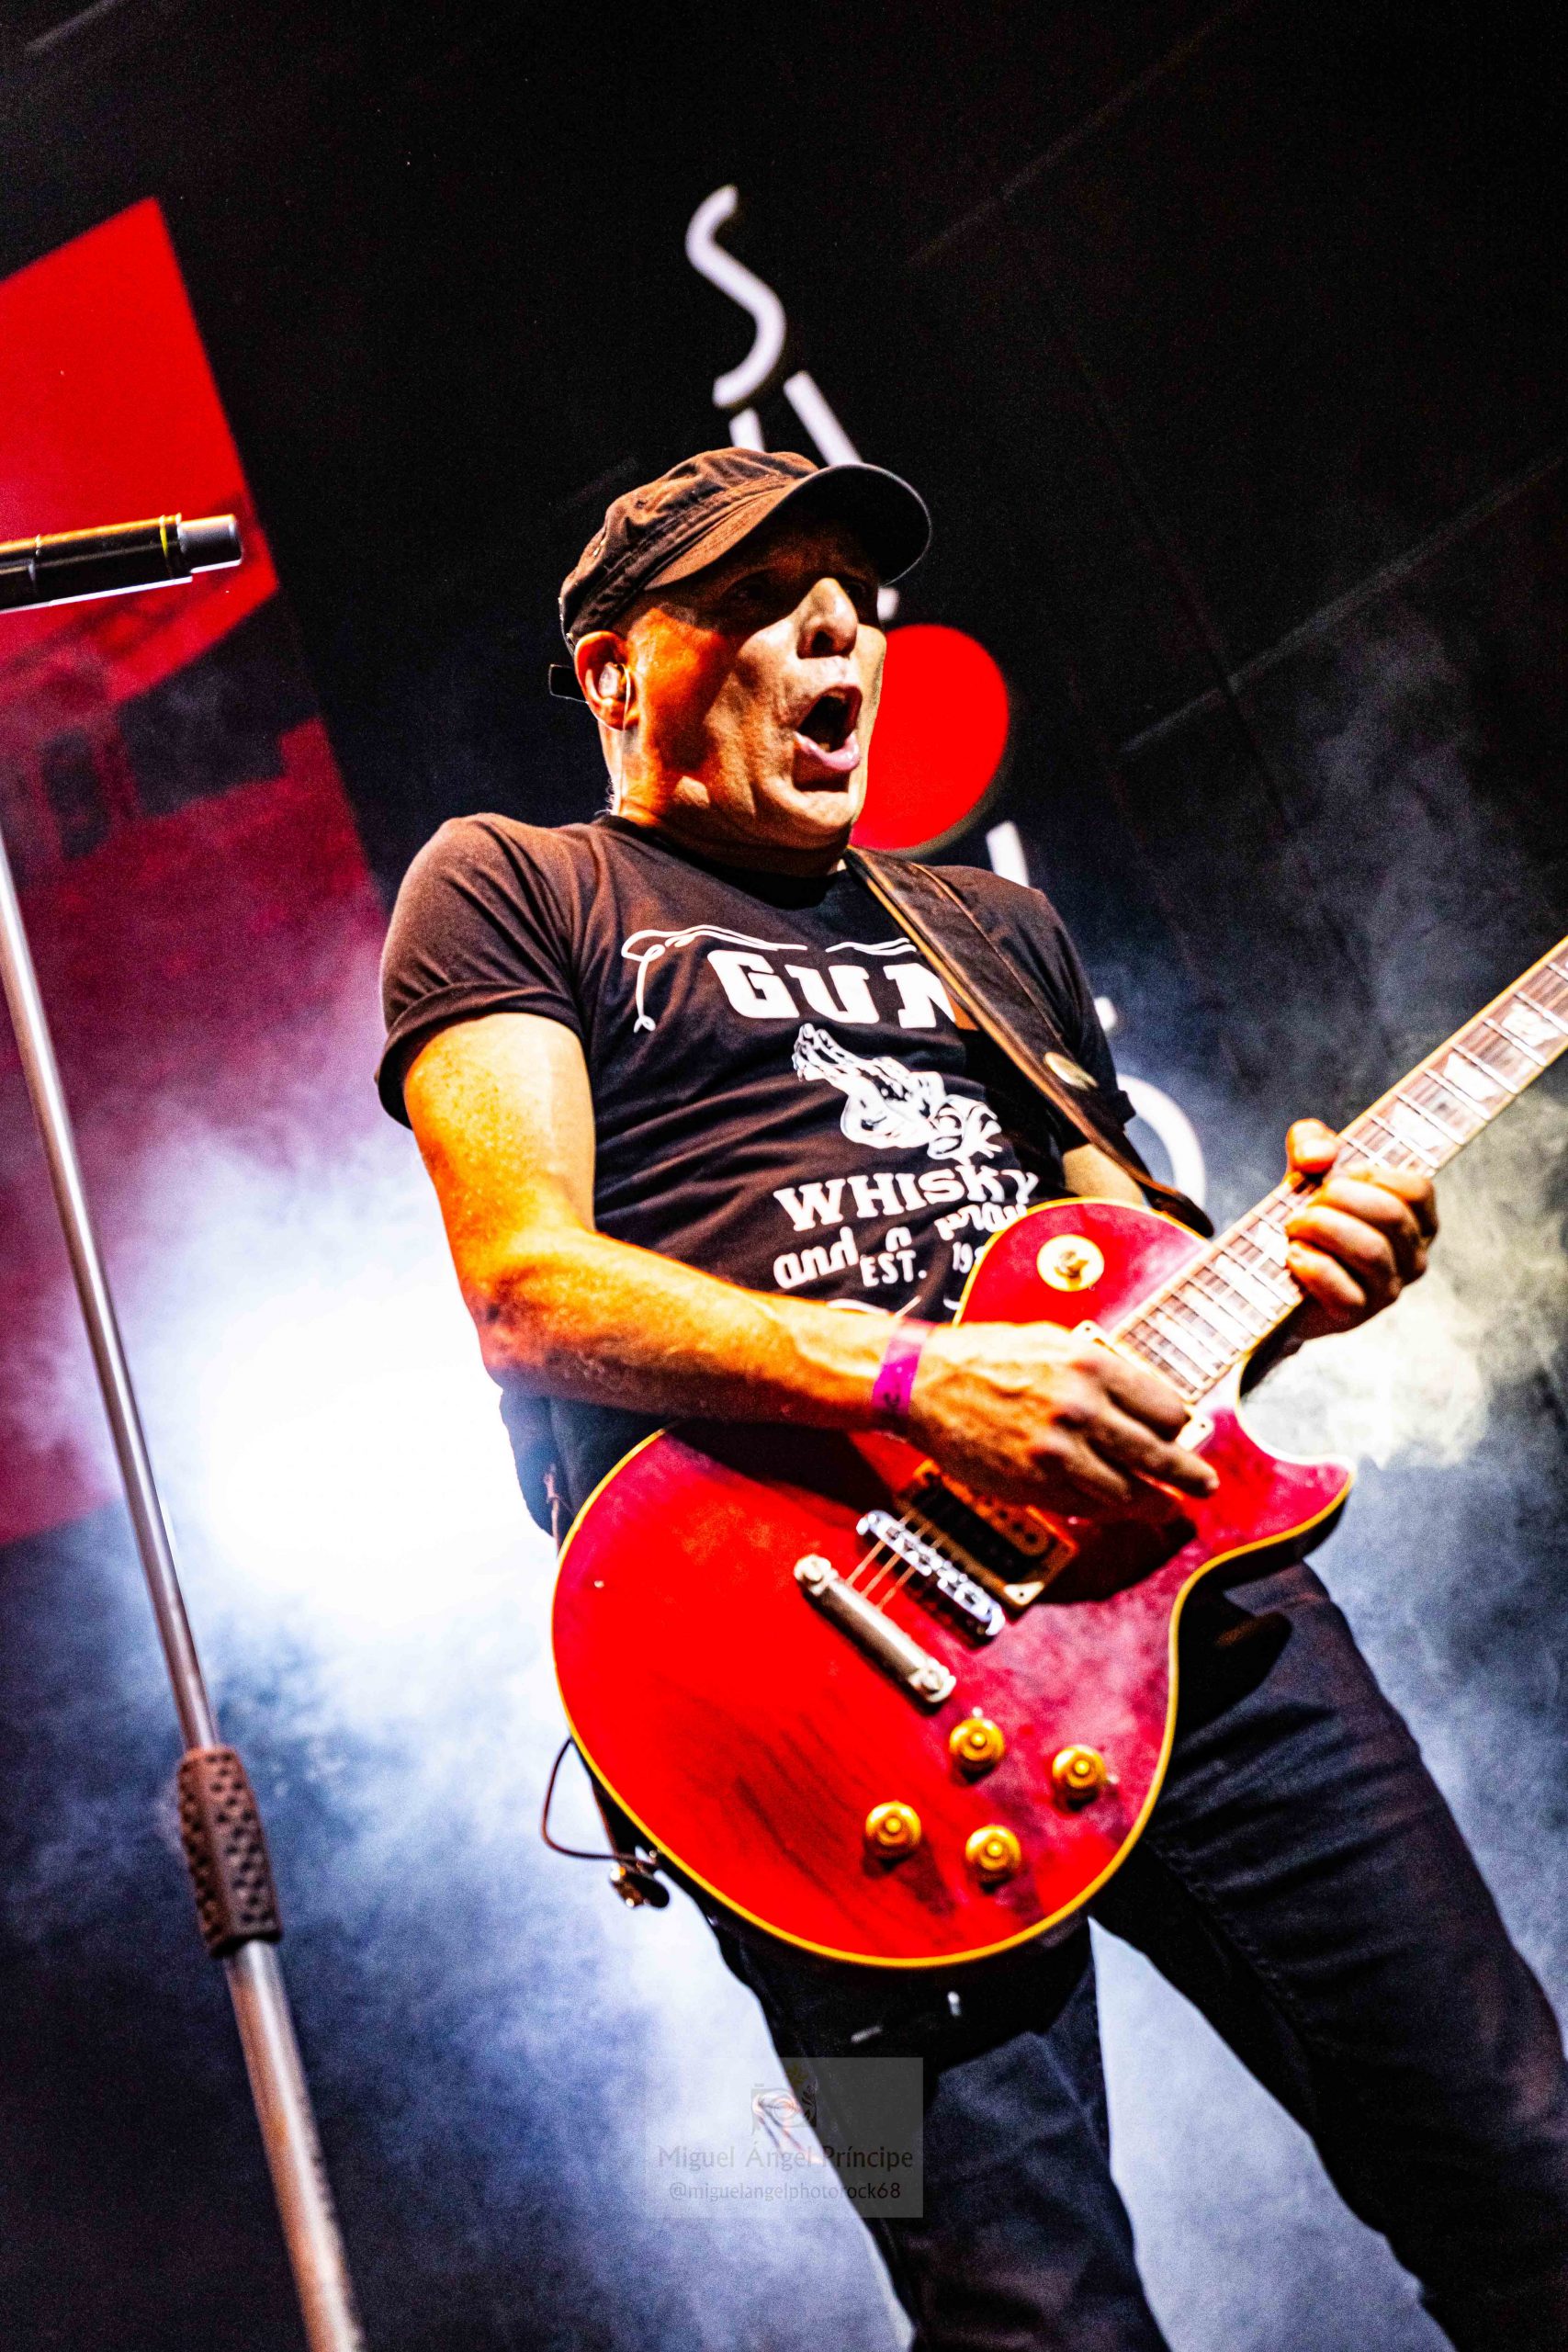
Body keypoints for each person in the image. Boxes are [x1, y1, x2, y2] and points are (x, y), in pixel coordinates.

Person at [377, 447, 1568, 2348]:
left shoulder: (992, 938)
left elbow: (1153, 1303)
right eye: (762, 602)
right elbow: (526, 1286)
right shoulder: (516, 884)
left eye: (857, 605)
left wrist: (1304, 1273)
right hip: (788, 1718)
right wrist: (924, 1380)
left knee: (1525, 2165)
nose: (837, 638)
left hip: (1192, 1628)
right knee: (1021, 2312)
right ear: (611, 672)